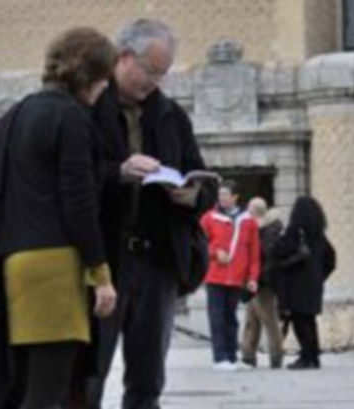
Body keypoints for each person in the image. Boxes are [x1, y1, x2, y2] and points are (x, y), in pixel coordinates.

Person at [0, 27, 118, 409]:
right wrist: (101, 274)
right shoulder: (73, 118)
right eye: (104, 81)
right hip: (57, 267)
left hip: (13, 264)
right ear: (92, 77)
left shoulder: (16, 115)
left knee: (23, 387)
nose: (103, 91)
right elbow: (78, 202)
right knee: (48, 392)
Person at [87, 18, 217, 408]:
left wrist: (194, 195)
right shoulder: (88, 107)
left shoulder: (171, 115)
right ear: (123, 57)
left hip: (156, 261)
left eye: (162, 73)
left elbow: (204, 178)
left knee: (148, 380)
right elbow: (72, 178)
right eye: (150, 70)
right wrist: (119, 172)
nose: (154, 81)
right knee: (89, 374)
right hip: (104, 258)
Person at [200, 180, 260, 371]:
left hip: (236, 277)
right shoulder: (209, 218)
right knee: (216, 316)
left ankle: (232, 357)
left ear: (235, 197)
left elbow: (254, 251)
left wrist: (252, 277)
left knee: (231, 318)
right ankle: (220, 358)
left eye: (226, 194)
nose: (222, 197)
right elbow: (199, 244)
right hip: (214, 276)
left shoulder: (248, 221)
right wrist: (214, 253)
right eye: (220, 194)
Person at [273, 196, 336, 370]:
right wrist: (319, 277)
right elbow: (331, 260)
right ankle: (313, 357)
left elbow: (277, 255)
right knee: (310, 321)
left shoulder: (294, 233)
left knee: (300, 322)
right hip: (313, 287)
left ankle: (307, 357)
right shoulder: (319, 237)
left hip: (296, 286)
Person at [240, 199, 285, 369]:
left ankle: (276, 356)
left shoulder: (266, 231)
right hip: (255, 280)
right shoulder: (259, 229)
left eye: (249, 209)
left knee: (269, 320)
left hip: (262, 282)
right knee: (252, 320)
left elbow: (264, 258)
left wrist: (257, 278)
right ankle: (248, 354)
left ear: (254, 211)